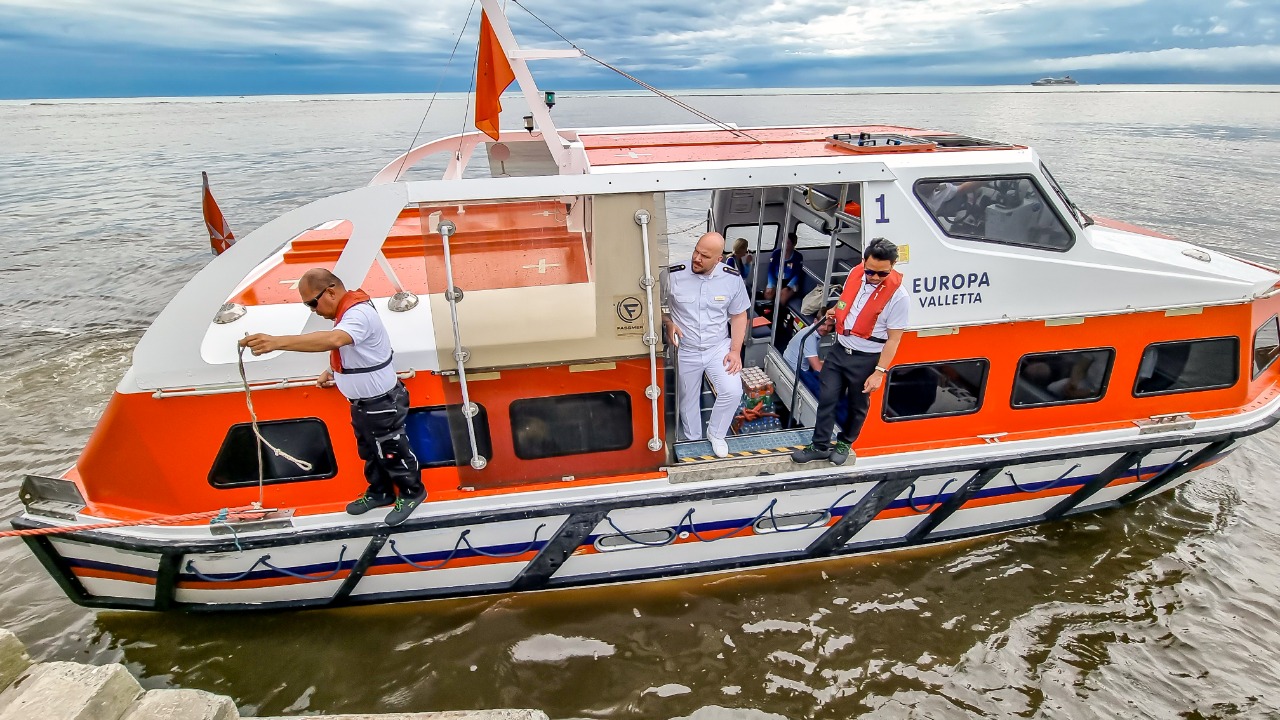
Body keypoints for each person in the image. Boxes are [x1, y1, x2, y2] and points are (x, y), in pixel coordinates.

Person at [240, 268, 426, 526]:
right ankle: (380, 491)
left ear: (330, 291)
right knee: (370, 451)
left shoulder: (358, 314)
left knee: (391, 449)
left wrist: (277, 342)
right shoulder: (346, 314)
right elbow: (354, 351)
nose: (312, 310)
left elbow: (336, 339)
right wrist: (331, 372)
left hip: (381, 402)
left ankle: (412, 492)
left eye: (312, 303)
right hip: (362, 404)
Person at [793, 238, 911, 466]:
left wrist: (879, 372)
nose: (874, 278)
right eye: (870, 272)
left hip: (866, 358)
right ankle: (819, 445)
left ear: (893, 266)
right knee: (827, 398)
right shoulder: (856, 275)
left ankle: (845, 442)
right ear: (863, 262)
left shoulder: (899, 298)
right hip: (840, 350)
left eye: (881, 274)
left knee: (858, 404)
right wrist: (833, 312)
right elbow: (847, 303)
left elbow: (894, 339)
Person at [663, 232, 750, 458]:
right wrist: (668, 322)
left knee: (732, 391)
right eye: (696, 251)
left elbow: (740, 315)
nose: (697, 258)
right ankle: (693, 440)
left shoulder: (731, 279)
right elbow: (656, 307)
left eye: (704, 256)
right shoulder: (672, 275)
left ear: (718, 260)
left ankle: (716, 434)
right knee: (688, 399)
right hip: (686, 349)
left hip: (718, 347)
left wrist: (735, 351)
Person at [782, 315, 833, 395]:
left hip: (793, 367)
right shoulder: (809, 337)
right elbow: (818, 369)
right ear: (815, 321)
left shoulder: (813, 332)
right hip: (797, 373)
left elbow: (815, 361)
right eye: (823, 324)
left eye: (830, 326)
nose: (826, 328)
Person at [763, 231, 804, 311]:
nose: (784, 245)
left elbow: (797, 274)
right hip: (776, 280)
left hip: (791, 282)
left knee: (783, 295)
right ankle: (767, 313)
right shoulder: (776, 253)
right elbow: (770, 270)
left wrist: (788, 287)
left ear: (793, 244)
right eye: (783, 242)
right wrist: (771, 284)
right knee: (768, 293)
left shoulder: (798, 256)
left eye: (787, 243)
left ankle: (778, 315)